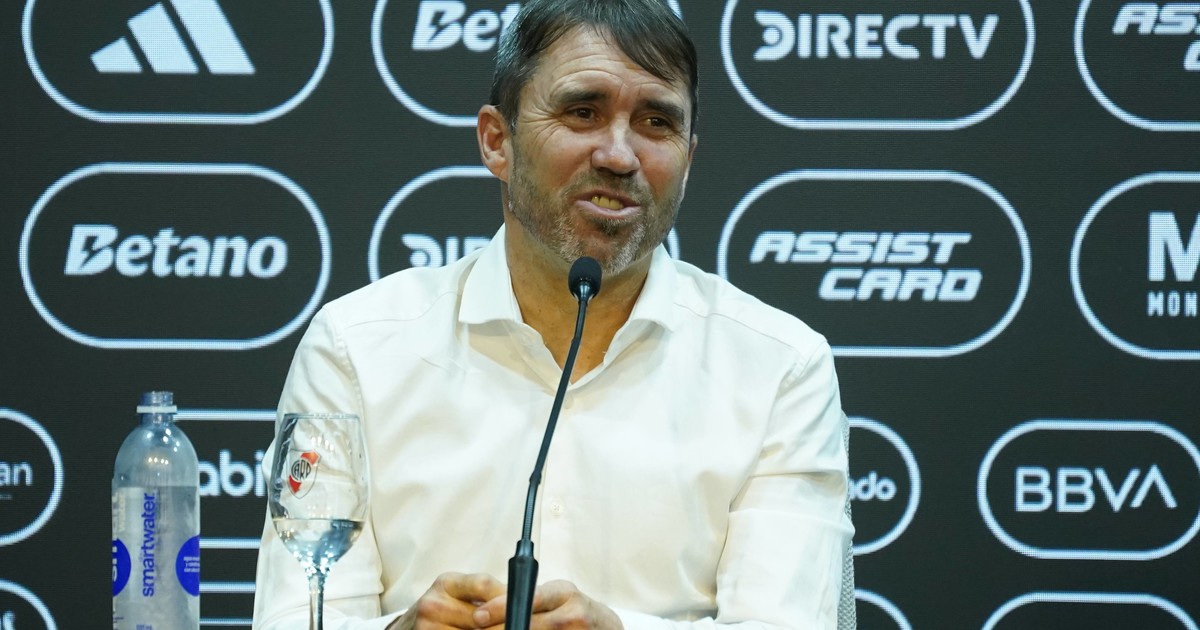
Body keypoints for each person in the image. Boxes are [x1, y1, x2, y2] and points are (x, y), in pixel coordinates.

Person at [252, 0, 856, 628]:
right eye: (582, 112)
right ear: (497, 141)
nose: (619, 156)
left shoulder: (780, 367)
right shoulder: (355, 348)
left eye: (656, 123)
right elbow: (296, 618)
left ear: (688, 160)